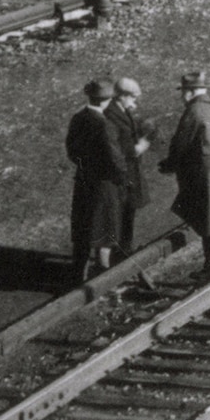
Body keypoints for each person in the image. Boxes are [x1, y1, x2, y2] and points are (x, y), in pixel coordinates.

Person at [166, 70, 210, 274]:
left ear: (189, 92)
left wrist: (170, 164)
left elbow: (181, 142)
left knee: (207, 216)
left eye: (183, 92)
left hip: (205, 167)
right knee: (206, 211)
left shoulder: (194, 110)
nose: (182, 97)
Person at [63, 77, 124, 288]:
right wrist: (121, 177)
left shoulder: (78, 118)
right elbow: (115, 159)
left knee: (83, 230)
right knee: (104, 232)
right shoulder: (104, 125)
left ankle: (78, 276)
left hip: (83, 181)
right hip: (104, 185)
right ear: (108, 100)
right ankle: (102, 280)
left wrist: (85, 166)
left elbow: (71, 150)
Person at [105, 80, 158, 270]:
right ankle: (116, 261)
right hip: (121, 175)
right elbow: (118, 147)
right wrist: (141, 146)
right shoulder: (110, 115)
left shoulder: (123, 111)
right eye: (133, 97)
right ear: (122, 96)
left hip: (130, 174)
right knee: (119, 218)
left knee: (128, 214)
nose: (135, 102)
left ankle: (124, 255)